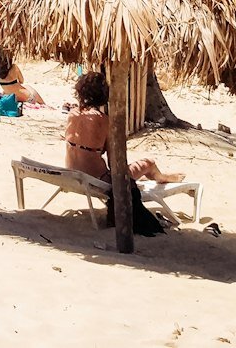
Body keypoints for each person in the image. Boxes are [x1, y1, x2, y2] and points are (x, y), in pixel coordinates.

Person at [65, 71, 179, 235]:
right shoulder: (104, 121)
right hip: (97, 177)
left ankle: (159, 176)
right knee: (148, 163)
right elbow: (115, 164)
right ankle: (162, 177)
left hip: (71, 170)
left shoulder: (72, 114)